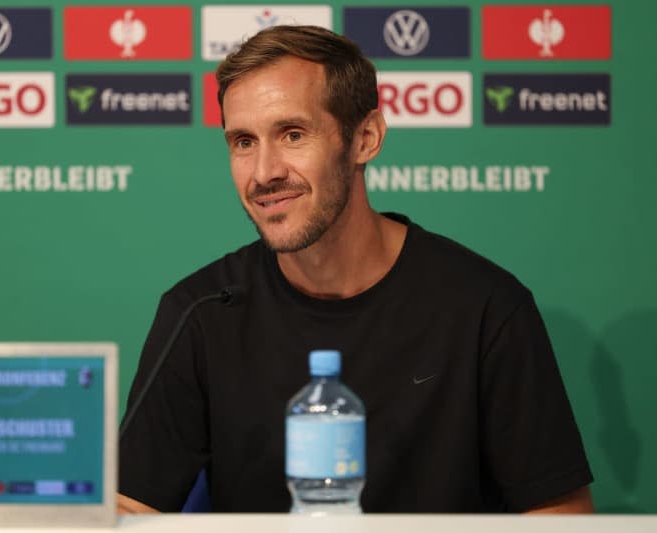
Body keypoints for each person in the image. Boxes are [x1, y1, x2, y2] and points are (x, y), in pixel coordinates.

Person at [117, 25, 594, 513]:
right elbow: (129, 509)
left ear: (365, 138)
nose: (264, 173)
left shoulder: (485, 307)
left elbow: (561, 517)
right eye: (243, 142)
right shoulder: (198, 313)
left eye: (293, 134)